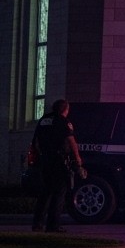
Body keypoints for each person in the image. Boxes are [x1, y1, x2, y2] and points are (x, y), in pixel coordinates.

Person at [31, 98, 85, 233]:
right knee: (59, 193)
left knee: (45, 192)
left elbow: (36, 140)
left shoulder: (44, 120)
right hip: (59, 161)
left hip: (45, 160)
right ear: (65, 110)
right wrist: (77, 158)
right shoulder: (63, 121)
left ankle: (37, 224)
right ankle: (53, 226)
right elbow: (71, 140)